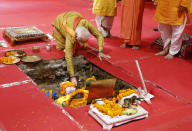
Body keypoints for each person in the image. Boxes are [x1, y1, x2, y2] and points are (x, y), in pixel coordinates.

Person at [52, 11, 111, 86]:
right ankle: (59, 34)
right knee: (61, 47)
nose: (83, 43)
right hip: (61, 21)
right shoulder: (71, 35)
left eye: (85, 41)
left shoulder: (86, 23)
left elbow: (99, 35)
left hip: (73, 18)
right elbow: (68, 56)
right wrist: (72, 76)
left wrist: (100, 51)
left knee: (82, 46)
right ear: (76, 37)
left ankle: (79, 43)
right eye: (81, 41)